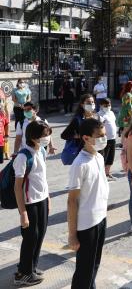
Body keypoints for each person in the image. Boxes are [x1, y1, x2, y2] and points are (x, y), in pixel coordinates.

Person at [67, 118, 109, 289]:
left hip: (101, 219)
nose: (103, 139)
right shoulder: (79, 164)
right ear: (85, 138)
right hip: (86, 226)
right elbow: (71, 201)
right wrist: (72, 235)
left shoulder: (98, 156)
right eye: (99, 136)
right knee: (84, 271)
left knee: (94, 265)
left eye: (104, 135)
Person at [12, 120, 52, 286]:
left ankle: (31, 267)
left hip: (41, 200)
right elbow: (18, 188)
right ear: (34, 137)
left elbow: (42, 178)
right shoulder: (23, 156)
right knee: (30, 238)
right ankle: (22, 274)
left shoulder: (41, 151)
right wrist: (23, 214)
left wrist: (47, 197)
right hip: (29, 204)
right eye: (44, 135)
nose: (48, 138)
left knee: (40, 235)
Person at [97, 98, 118, 181]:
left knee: (110, 158)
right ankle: (101, 176)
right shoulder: (99, 114)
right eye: (105, 105)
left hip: (113, 138)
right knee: (103, 157)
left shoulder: (111, 113)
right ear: (101, 106)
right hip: (104, 139)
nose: (107, 107)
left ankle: (107, 173)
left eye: (109, 105)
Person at [0, 94, 9, 162]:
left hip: (1, 141)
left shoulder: (2, 115)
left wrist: (6, 135)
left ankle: (6, 154)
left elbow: (6, 125)